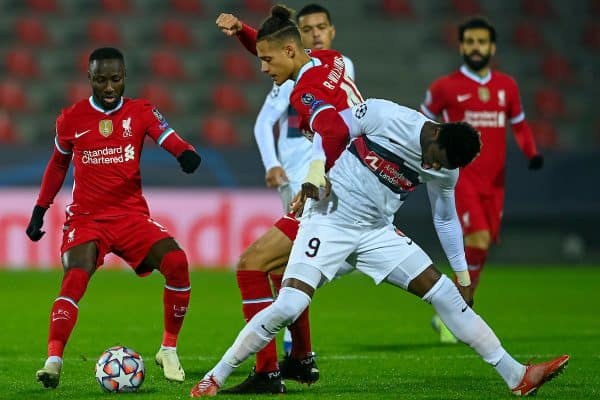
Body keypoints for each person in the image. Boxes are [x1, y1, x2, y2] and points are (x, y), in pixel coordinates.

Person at [190, 98, 568, 398]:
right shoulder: (388, 116)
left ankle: (518, 376)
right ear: (435, 135)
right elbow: (331, 126)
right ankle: (216, 377)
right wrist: (315, 172)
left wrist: (464, 274)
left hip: (377, 233)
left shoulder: (446, 166)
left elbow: (446, 218)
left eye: (443, 166)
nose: (434, 167)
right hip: (329, 219)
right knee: (290, 305)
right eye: (437, 158)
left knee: (447, 296)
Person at [26, 47, 202, 389]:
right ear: (90, 79)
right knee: (75, 277)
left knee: (178, 262)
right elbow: (57, 165)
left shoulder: (141, 111)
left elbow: (168, 137)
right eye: (102, 80)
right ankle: (53, 360)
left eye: (116, 79)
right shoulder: (71, 119)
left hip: (131, 216)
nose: (109, 87)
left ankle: (168, 348)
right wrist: (39, 208)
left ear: (125, 78)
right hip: (86, 219)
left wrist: (185, 153)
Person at [213, 5, 362, 394]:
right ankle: (301, 359)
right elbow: (278, 52)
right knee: (285, 272)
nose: (263, 69)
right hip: (358, 186)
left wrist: (313, 180)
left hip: (337, 196)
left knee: (250, 266)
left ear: (292, 52)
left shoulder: (305, 92)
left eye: (266, 61)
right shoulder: (333, 60)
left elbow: (329, 132)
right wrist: (246, 32)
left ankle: (266, 373)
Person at [420, 17, 544, 343]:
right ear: (461, 46)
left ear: (492, 47)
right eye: (470, 42)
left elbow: (519, 124)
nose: (476, 48)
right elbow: (423, 121)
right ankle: (457, 316)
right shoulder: (444, 87)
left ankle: (451, 312)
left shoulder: (507, 86)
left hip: (495, 182)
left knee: (482, 245)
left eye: (482, 42)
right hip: (461, 177)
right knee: (476, 238)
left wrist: (531, 152)